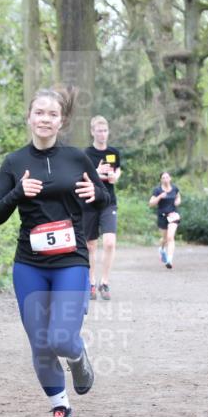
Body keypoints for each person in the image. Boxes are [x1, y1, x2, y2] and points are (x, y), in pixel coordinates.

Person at [0, 88, 107, 417]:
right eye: (39, 112)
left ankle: (78, 355)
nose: (45, 119)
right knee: (40, 343)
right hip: (30, 264)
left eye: (52, 114)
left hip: (71, 260)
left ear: (61, 121)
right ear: (29, 117)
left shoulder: (76, 158)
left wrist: (96, 193)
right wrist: (17, 193)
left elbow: (101, 197)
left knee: (61, 338)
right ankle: (60, 406)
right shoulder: (13, 162)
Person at [82, 116, 122, 301]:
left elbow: (117, 170)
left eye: (105, 131)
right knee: (91, 245)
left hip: (108, 202)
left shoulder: (113, 152)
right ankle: (91, 283)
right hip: (90, 202)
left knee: (109, 242)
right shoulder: (86, 154)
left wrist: (115, 177)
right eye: (99, 131)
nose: (102, 134)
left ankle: (104, 282)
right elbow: (81, 176)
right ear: (92, 132)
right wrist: (96, 173)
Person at [149, 172, 181, 269]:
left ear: (170, 178)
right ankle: (161, 249)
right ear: (161, 180)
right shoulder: (157, 190)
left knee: (170, 237)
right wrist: (159, 197)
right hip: (162, 216)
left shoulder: (175, 188)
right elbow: (151, 204)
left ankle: (169, 260)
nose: (165, 179)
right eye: (163, 178)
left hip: (173, 215)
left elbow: (178, 197)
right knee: (165, 239)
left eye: (167, 177)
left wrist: (177, 201)